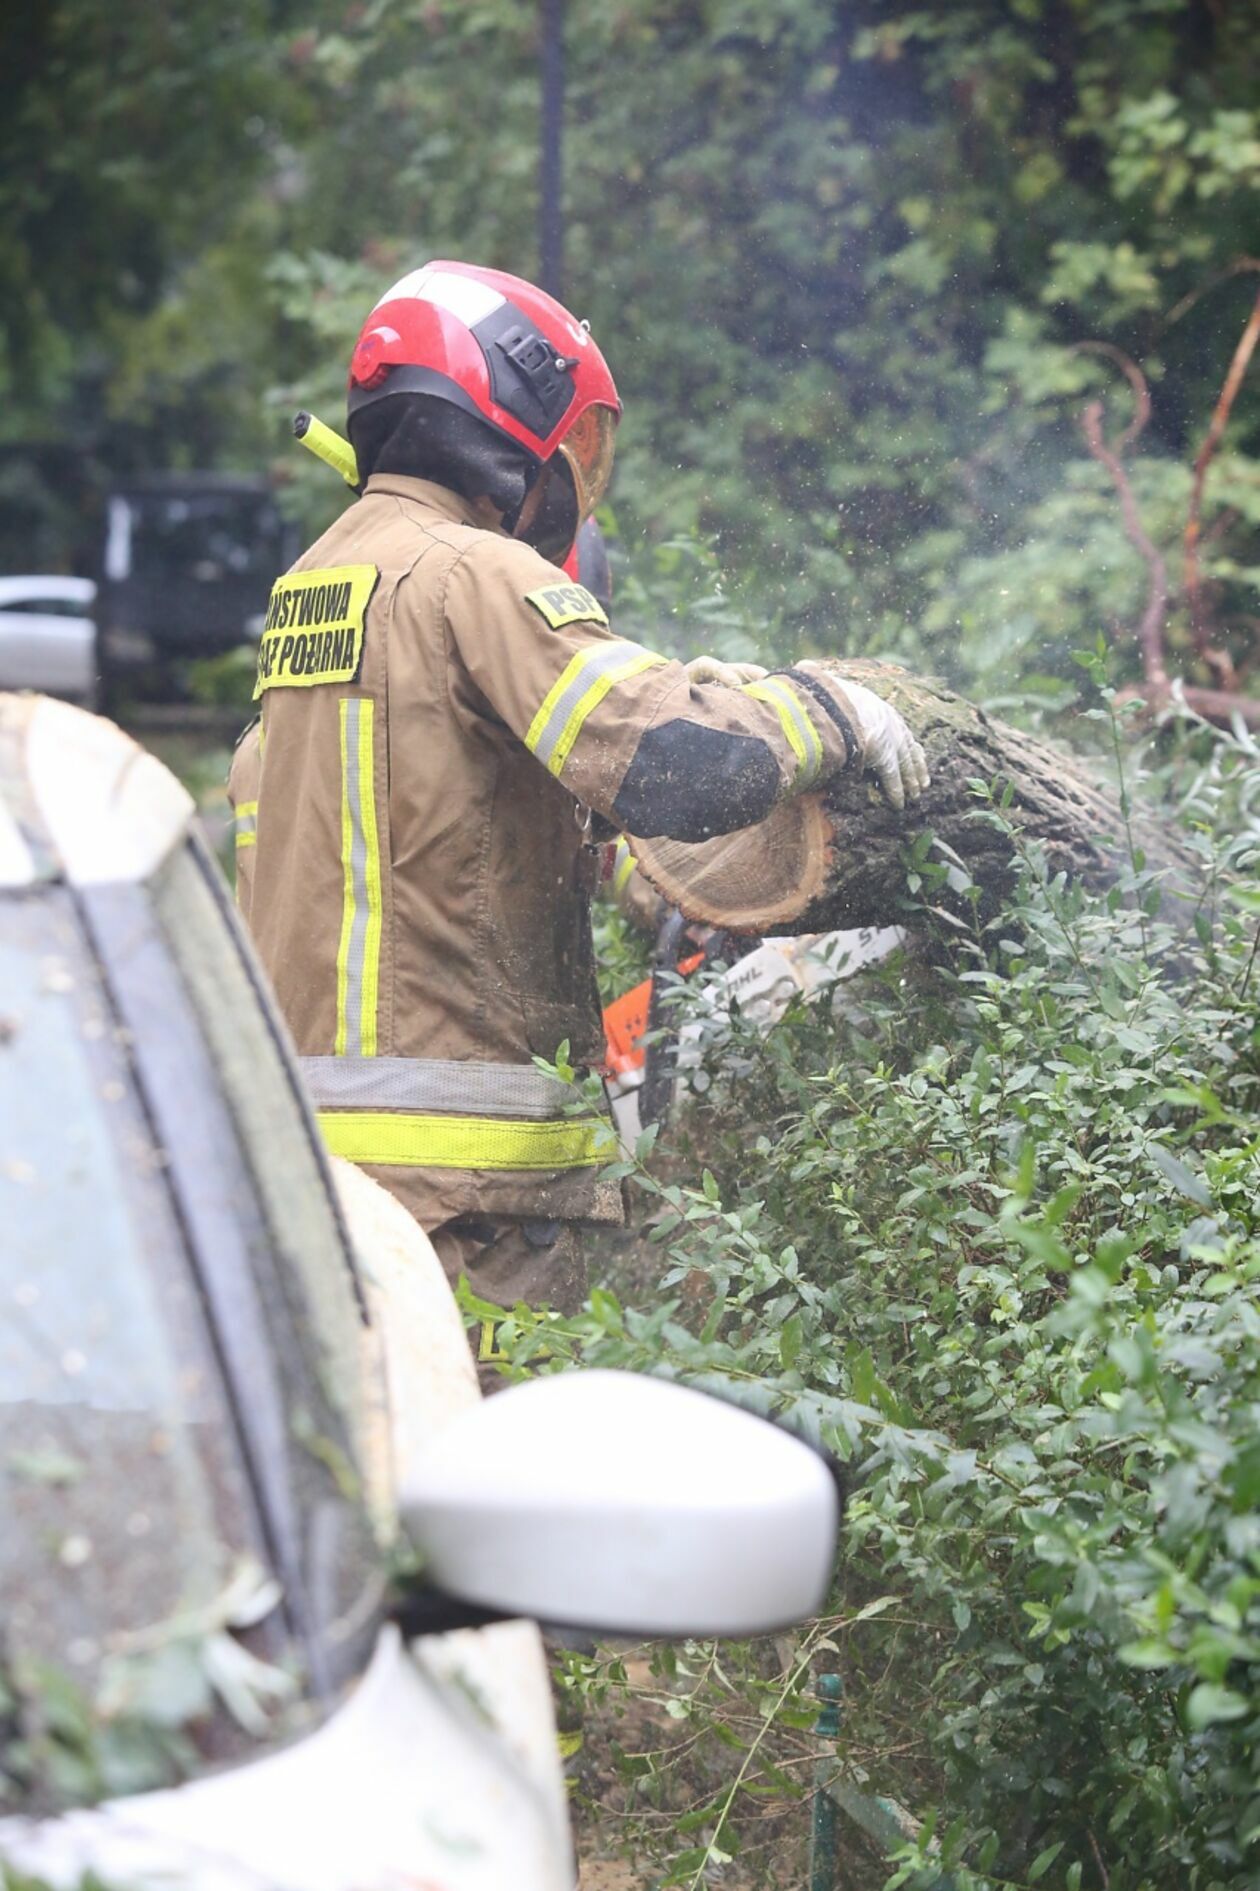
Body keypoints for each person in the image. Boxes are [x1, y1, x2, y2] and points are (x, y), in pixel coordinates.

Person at [228, 259, 927, 1340]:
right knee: (510, 1493)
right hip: (468, 1201)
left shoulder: (314, 596)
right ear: (509, 401)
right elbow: (675, 758)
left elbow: (431, 830)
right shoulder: (470, 572)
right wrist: (828, 714)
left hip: (320, 1173)